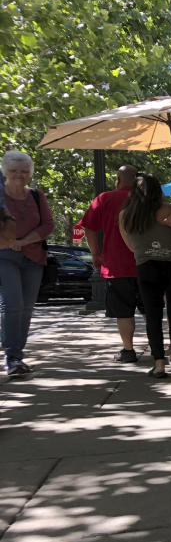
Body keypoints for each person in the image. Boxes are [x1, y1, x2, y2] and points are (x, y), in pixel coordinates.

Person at [118, 174, 171, 379]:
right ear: (158, 190)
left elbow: (129, 246)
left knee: (153, 316)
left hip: (145, 267)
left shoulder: (126, 215)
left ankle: (158, 363)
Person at [80, 165, 143, 363]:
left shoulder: (104, 199)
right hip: (147, 263)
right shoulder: (147, 201)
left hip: (116, 265)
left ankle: (128, 350)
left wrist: (96, 253)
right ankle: (157, 348)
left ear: (118, 179)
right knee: (151, 308)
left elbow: (89, 228)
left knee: (123, 312)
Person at [0, 150, 54, 376]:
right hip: (4, 256)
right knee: (13, 304)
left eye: (24, 171)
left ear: (30, 173)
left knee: (27, 308)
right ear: (5, 171)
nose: (19, 175)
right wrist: (9, 241)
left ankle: (17, 353)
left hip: (33, 257)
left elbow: (47, 225)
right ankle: (12, 357)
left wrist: (23, 241)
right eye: (14, 171)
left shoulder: (36, 196)